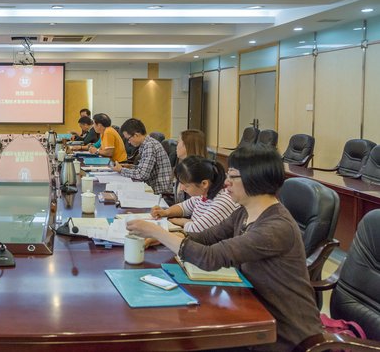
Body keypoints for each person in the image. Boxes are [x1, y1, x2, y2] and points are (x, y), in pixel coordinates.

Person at [126, 144, 322, 351]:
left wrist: (157, 232)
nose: (226, 182)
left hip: (281, 332)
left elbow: (210, 257)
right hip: (250, 311)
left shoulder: (276, 227)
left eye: (233, 176)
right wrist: (168, 237)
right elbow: (208, 237)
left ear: (255, 178)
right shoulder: (244, 212)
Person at [151, 155, 238, 234]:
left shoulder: (222, 201)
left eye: (186, 185)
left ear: (204, 183)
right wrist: (166, 212)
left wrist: (181, 221)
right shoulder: (204, 193)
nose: (182, 188)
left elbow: (195, 229)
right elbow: (184, 207)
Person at [111, 118, 171, 194]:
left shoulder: (149, 146)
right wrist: (131, 166)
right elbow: (145, 169)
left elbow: (142, 175)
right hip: (151, 187)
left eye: (128, 139)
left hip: (158, 192)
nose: (128, 142)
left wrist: (121, 170)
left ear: (136, 135)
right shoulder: (147, 143)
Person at [172, 129, 209, 203]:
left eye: (178, 142)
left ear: (186, 146)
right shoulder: (183, 167)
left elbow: (193, 205)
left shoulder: (198, 173)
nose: (176, 146)